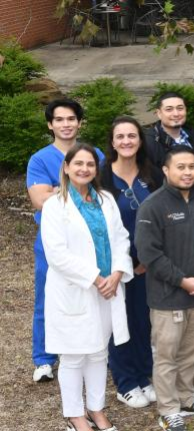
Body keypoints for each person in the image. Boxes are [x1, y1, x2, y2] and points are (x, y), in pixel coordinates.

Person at [43, 143, 132, 431]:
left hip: (108, 288)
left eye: (90, 164)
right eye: (77, 163)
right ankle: (74, 414)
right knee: (73, 354)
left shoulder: (105, 199)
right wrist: (95, 278)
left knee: (98, 352)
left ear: (97, 169)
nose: (84, 169)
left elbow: (121, 238)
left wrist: (117, 272)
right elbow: (56, 254)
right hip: (76, 289)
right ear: (66, 167)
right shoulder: (56, 205)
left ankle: (96, 408)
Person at [135, 146, 194, 431]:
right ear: (166, 170)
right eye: (180, 167)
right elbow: (148, 253)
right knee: (166, 355)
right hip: (168, 298)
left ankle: (186, 399)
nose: (187, 172)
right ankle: (168, 410)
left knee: (192, 350)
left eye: (190, 167)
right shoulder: (153, 205)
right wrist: (181, 280)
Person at [26, 99, 104, 383]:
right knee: (47, 295)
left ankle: (91, 347)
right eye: (59, 120)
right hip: (53, 238)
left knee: (92, 291)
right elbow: (39, 200)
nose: (66, 124)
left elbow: (101, 195)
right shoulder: (40, 159)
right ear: (50, 124)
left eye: (71, 119)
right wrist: (77, 191)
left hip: (92, 237)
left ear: (80, 122)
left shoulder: (95, 154)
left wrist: (58, 190)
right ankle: (44, 359)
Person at [98, 116, 163, 409]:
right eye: (120, 136)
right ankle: (125, 382)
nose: (126, 141)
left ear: (140, 140)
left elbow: (162, 216)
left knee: (142, 322)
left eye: (132, 136)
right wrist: (122, 265)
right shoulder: (102, 178)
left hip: (147, 263)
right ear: (112, 142)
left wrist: (149, 259)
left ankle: (144, 376)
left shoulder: (151, 174)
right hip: (115, 265)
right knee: (119, 322)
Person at [144, 91, 194, 170]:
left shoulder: (193, 135)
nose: (176, 114)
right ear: (159, 113)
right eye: (169, 109)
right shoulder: (149, 142)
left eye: (180, 108)